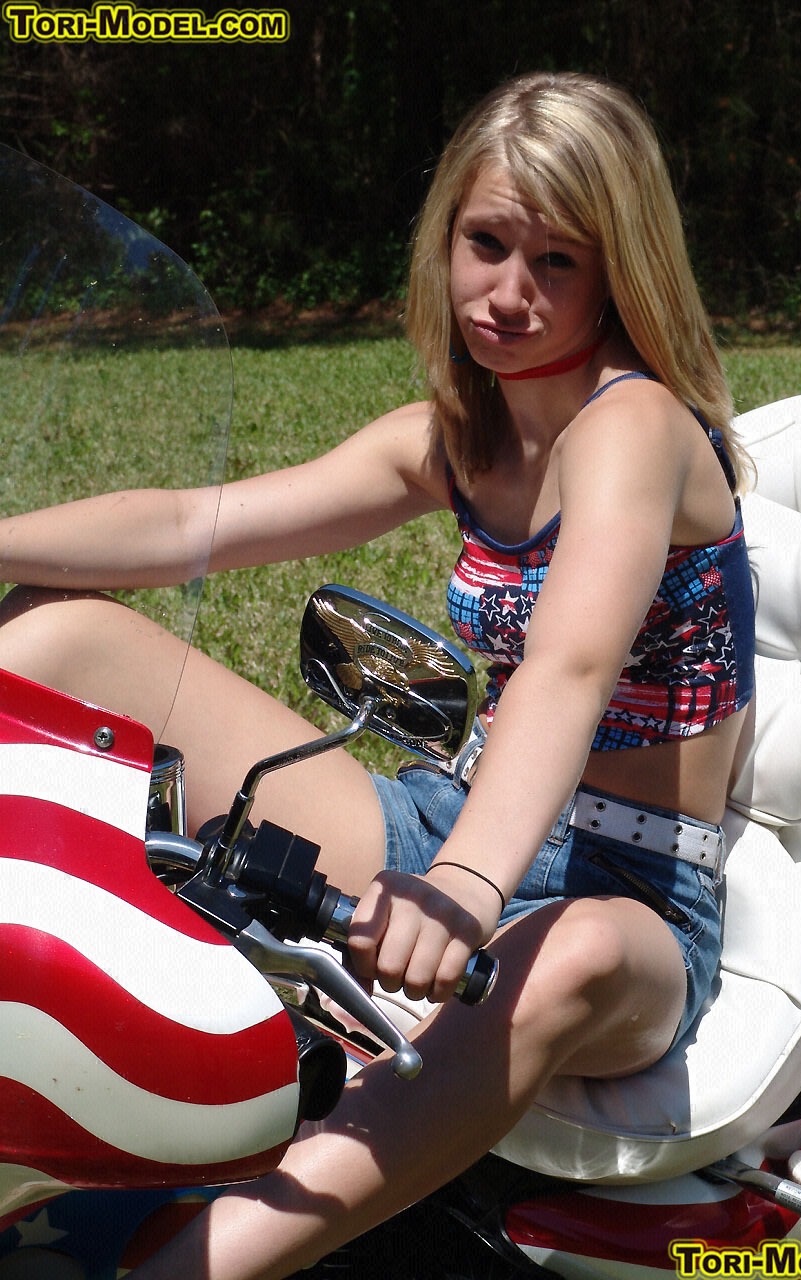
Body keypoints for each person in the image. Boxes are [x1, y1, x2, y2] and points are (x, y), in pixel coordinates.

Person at [0, 71, 755, 1279]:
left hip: (632, 890)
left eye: (557, 262)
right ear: (445, 237)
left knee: (562, 955)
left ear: (619, 272)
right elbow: (198, 522)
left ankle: (200, 1262)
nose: (509, 292)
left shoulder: (636, 427)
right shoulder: (460, 437)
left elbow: (567, 667)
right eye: (487, 243)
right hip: (448, 810)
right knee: (51, 639)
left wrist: (460, 886)